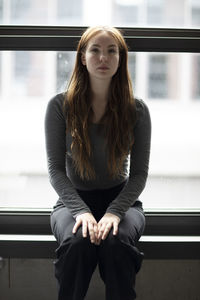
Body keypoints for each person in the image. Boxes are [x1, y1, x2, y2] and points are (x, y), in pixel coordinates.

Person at [45, 25, 151, 300]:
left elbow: (139, 175)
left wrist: (115, 212)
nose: (103, 58)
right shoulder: (59, 106)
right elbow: (56, 171)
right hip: (72, 202)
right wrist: (81, 212)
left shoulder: (136, 110)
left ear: (120, 58)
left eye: (111, 51)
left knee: (115, 244)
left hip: (122, 202)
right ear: (82, 57)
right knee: (77, 243)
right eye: (95, 50)